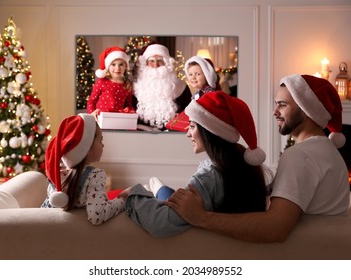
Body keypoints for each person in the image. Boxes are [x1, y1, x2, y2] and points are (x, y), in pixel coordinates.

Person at [166, 74, 350, 243]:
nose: (274, 111)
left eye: (282, 104)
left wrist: (200, 217)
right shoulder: (328, 150)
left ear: (306, 108)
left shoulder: (300, 155)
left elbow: (275, 228)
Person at [125, 90, 270, 237]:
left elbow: (160, 222)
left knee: (163, 195)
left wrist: (133, 194)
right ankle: (160, 189)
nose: (188, 133)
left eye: (192, 126)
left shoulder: (208, 176)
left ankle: (158, 190)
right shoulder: (243, 164)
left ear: (209, 131)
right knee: (168, 194)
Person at [41, 113, 129, 225]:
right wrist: (123, 199)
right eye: (100, 141)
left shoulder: (57, 175)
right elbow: (97, 215)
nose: (103, 145)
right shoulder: (95, 175)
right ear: (87, 149)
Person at [132, 43, 192, 130]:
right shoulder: (135, 88)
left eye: (160, 61)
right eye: (151, 61)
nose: (155, 65)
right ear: (145, 63)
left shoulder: (181, 87)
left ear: (166, 63)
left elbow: (188, 116)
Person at [87, 47, 134, 117]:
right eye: (113, 64)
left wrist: (131, 113)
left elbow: (128, 105)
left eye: (121, 64)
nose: (117, 68)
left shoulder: (127, 84)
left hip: (117, 119)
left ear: (125, 67)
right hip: (100, 118)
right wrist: (92, 113)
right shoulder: (102, 82)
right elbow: (91, 101)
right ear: (108, 67)